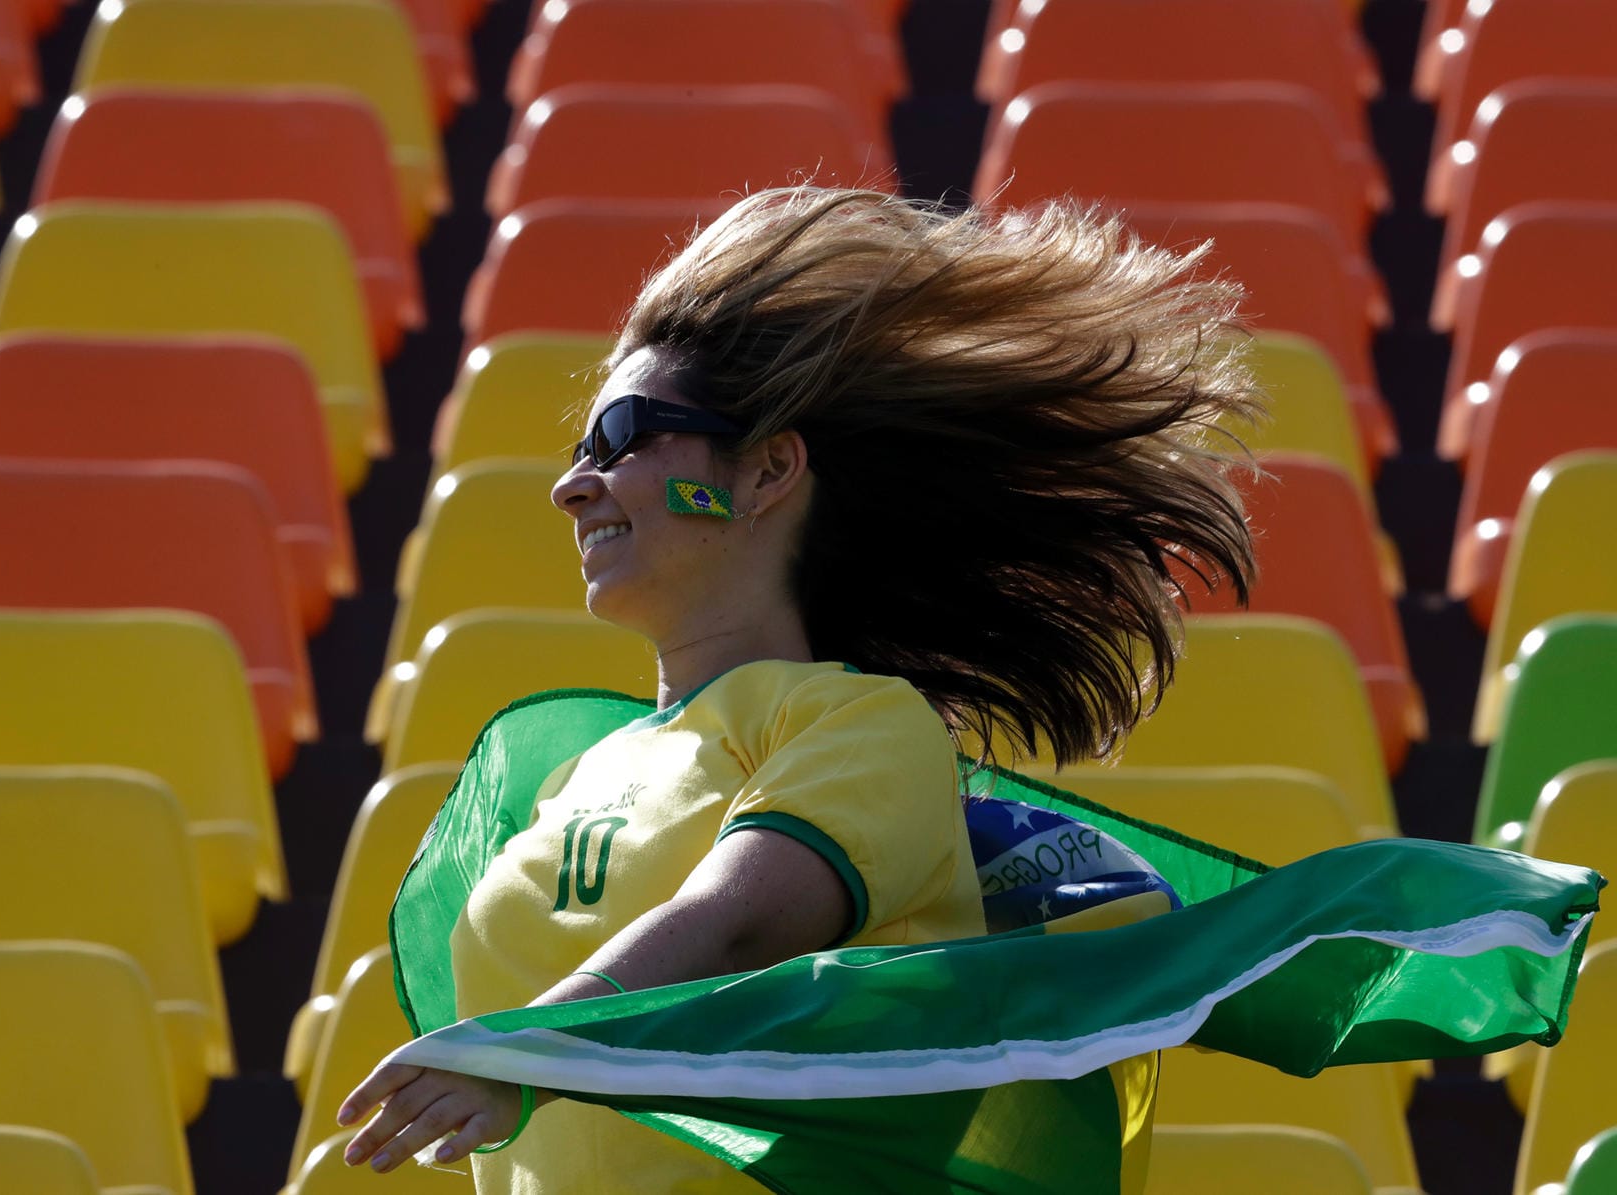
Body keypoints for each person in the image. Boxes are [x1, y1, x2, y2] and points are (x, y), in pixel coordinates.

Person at [339, 185, 1261, 1190]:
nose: (573, 485)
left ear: (768, 470)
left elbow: (740, 921)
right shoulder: (573, 773)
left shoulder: (863, 722)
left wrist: (534, 1046)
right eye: (576, 453)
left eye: (626, 437)